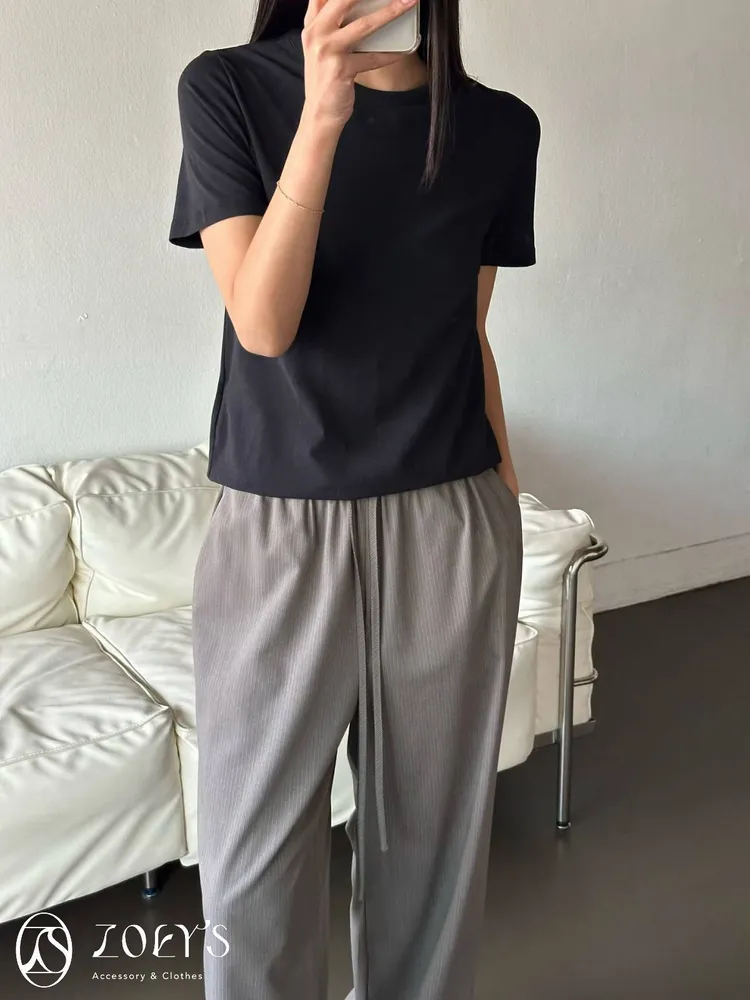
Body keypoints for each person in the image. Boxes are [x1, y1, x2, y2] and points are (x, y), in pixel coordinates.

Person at [168, 0, 540, 996]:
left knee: (431, 859)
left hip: (452, 520)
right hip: (278, 531)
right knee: (250, 870)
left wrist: (504, 491)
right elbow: (263, 325)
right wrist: (323, 115)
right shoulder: (228, 89)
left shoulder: (499, 126)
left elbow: (466, 327)